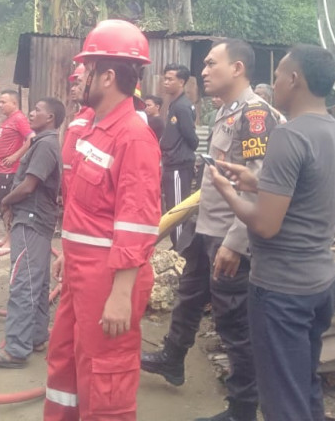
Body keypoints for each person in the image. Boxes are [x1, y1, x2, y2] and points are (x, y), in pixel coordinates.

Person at [210, 45, 335, 421]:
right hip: (321, 283)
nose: (272, 84)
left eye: (277, 76)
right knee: (304, 387)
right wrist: (256, 182)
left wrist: (229, 192)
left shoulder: (289, 136)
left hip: (282, 291)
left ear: (295, 79)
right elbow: (310, 195)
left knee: (281, 403)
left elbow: (265, 225)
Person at [141, 39, 281, 421]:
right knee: (189, 295)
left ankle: (242, 409)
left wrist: (235, 243)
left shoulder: (255, 115)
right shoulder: (228, 112)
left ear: (237, 68)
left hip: (230, 236)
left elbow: (259, 183)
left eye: (210, 63)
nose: (202, 71)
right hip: (209, 229)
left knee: (234, 322)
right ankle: (173, 358)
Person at [44, 19, 161, 421]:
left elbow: (138, 223)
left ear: (107, 76)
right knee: (65, 362)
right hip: (81, 270)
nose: (80, 78)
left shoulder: (133, 136)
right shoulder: (94, 130)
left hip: (110, 278)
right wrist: (68, 253)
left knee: (104, 375)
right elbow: (86, 209)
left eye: (87, 70)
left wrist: (120, 294)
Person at [0, 97, 66, 368]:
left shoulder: (45, 146)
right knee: (38, 281)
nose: (31, 113)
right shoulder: (44, 143)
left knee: (23, 281)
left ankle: (17, 349)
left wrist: (6, 201)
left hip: (31, 220)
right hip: (38, 220)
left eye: (38, 110)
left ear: (51, 117)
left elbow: (29, 185)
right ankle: (36, 336)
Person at [160, 63, 199, 246]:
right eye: (165, 78)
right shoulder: (175, 104)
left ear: (181, 82)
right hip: (171, 164)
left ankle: (181, 254)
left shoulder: (182, 107)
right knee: (173, 209)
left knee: (177, 212)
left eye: (170, 79)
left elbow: (192, 139)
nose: (165, 82)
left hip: (178, 166)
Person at [0, 90, 35, 252]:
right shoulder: (8, 120)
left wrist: (15, 156)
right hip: (1, 170)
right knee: (2, 205)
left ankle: (11, 242)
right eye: (0, 102)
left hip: (10, 171)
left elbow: (31, 137)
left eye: (4, 102)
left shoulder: (19, 119)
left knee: (7, 205)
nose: (0, 105)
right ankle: (7, 236)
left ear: (14, 104)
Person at [61, 64, 94, 202]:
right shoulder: (81, 114)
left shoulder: (93, 114)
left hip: (77, 181)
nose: (73, 88)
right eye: (73, 84)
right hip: (68, 180)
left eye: (78, 83)